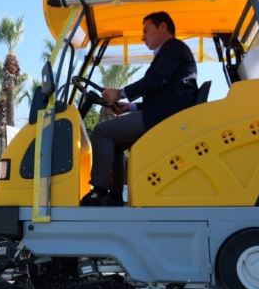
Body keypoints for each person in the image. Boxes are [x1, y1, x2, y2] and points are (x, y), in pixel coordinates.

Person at [82, 12, 198, 206]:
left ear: (162, 27)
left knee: (102, 132)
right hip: (163, 113)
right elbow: (163, 94)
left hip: (163, 117)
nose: (143, 37)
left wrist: (120, 93)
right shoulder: (172, 51)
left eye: (146, 30)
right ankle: (114, 196)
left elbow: (155, 80)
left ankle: (100, 191)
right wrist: (130, 106)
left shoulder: (173, 48)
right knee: (115, 142)